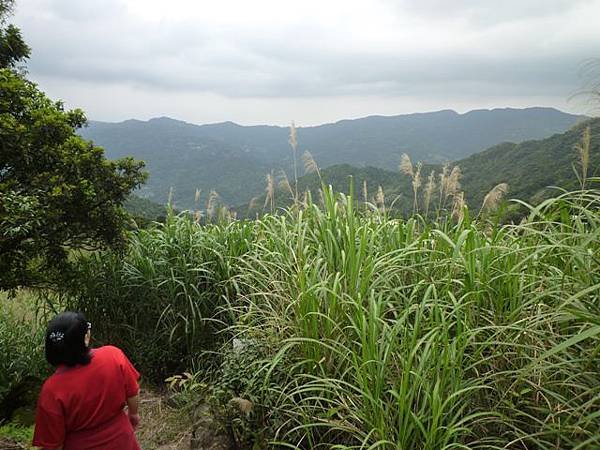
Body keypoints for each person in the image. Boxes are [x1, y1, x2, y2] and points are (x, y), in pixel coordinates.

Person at [32, 311, 142, 450]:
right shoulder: (112, 355)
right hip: (122, 440)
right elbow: (133, 392)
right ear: (84, 338)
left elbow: (53, 444)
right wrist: (133, 415)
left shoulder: (51, 389)